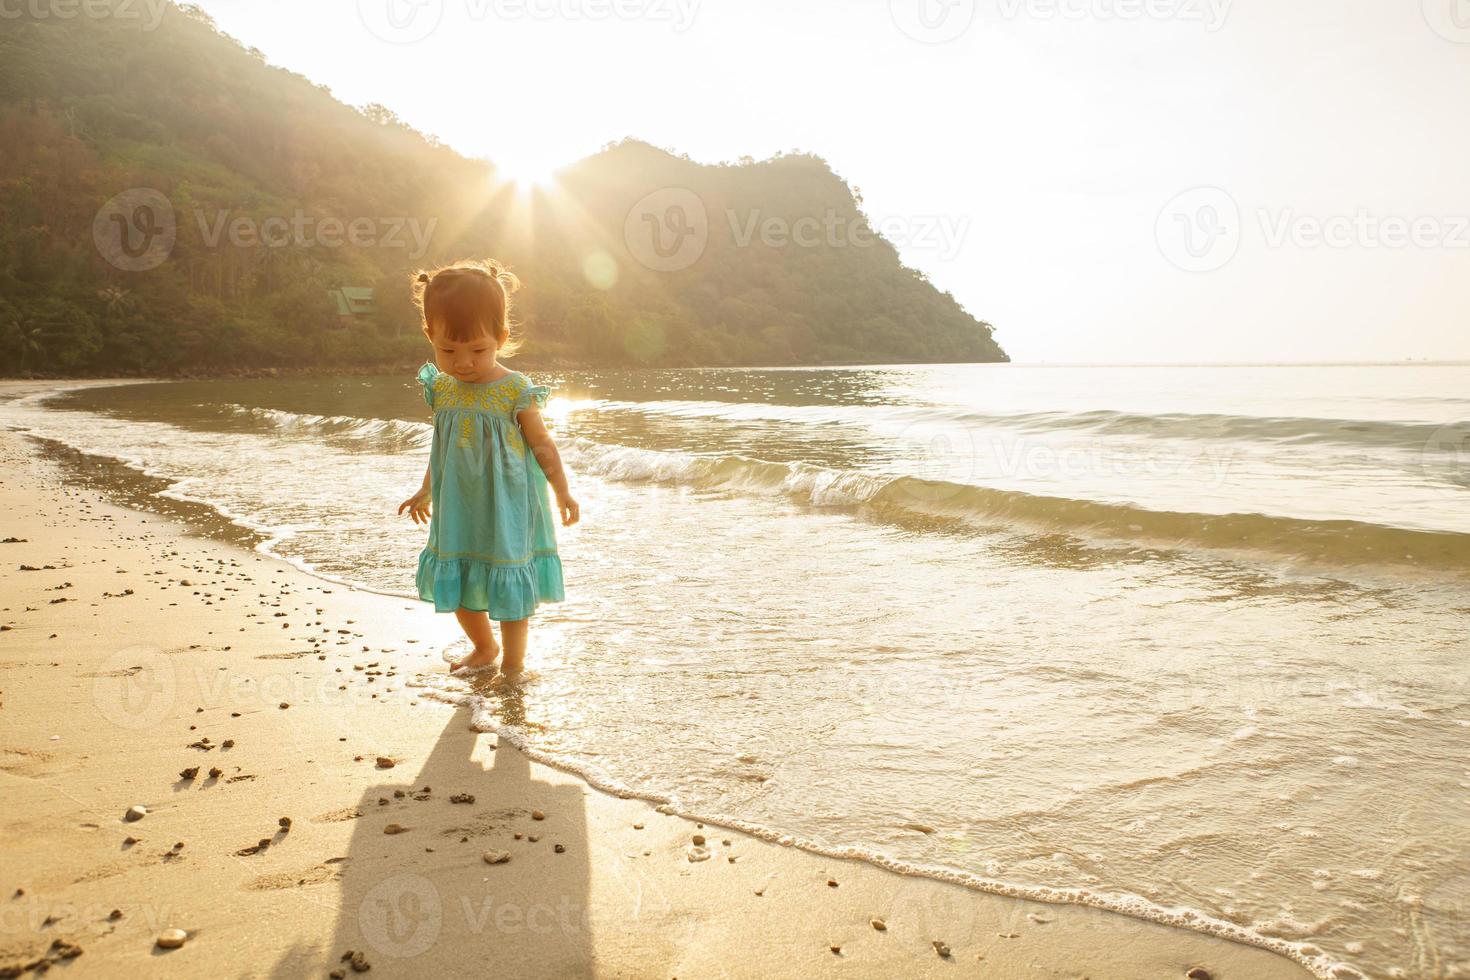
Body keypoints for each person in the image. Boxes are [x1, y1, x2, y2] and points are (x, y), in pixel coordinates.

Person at [397, 259, 578, 688]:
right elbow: (442, 445)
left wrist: (562, 492)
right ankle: (484, 647)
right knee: (454, 576)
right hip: (457, 503)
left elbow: (542, 444)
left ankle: (514, 665)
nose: (463, 363)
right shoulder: (440, 388)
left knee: (509, 584)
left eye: (477, 350)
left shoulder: (514, 387)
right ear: (430, 337)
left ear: (501, 337)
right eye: (448, 351)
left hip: (508, 504)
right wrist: (426, 489)